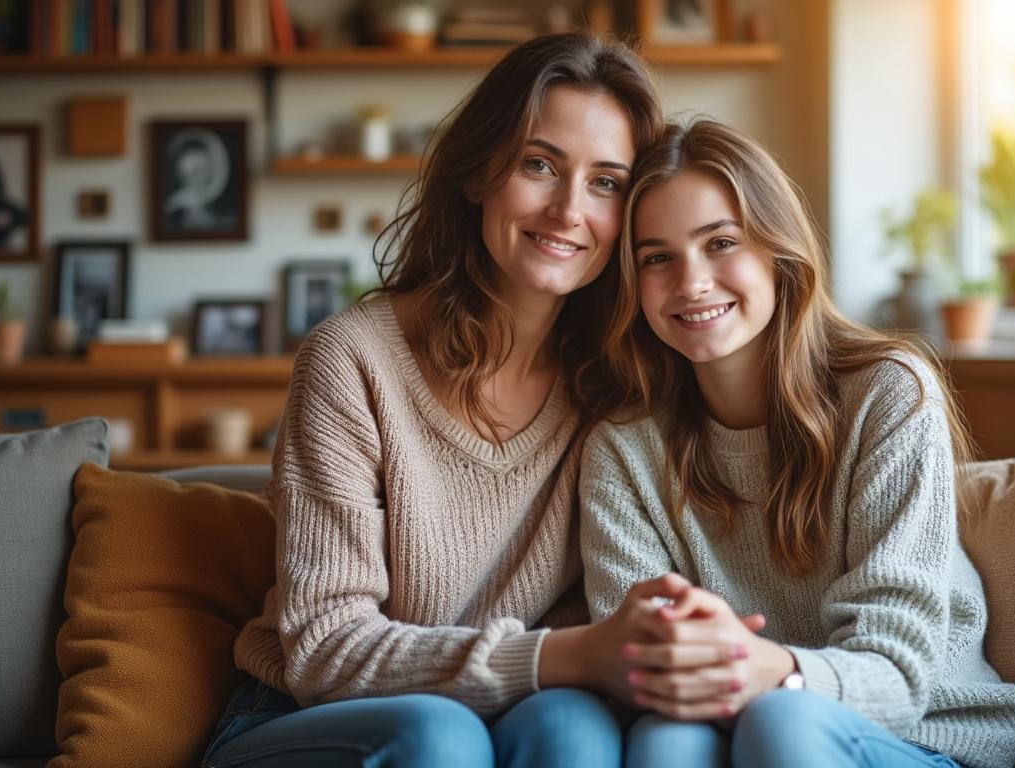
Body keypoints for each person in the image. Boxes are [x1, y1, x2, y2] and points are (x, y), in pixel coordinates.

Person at [202, 33, 736, 768]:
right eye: (539, 164)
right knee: (436, 737)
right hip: (303, 714)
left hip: (518, 708)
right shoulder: (353, 361)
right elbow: (324, 650)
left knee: (575, 734)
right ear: (480, 170)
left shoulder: (617, 381)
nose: (568, 209)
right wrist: (564, 657)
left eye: (606, 183)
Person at [579, 120, 1015, 768]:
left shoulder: (889, 393)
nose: (691, 282)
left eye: (720, 243)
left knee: (785, 724)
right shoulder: (623, 450)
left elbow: (899, 675)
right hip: (736, 728)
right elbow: (647, 669)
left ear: (779, 253)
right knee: (664, 741)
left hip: (926, 738)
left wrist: (767, 670)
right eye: (657, 257)